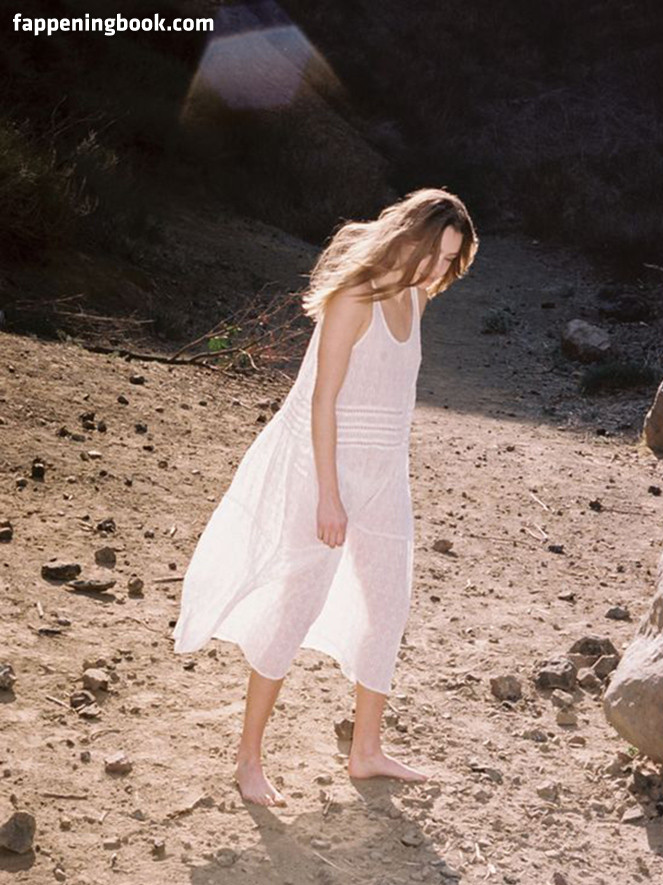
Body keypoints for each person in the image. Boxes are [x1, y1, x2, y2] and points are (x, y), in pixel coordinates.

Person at [172, 186, 479, 806]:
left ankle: (366, 751)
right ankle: (249, 759)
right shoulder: (353, 298)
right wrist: (329, 497)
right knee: (295, 608)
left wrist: (379, 480)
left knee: (387, 606)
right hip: (324, 470)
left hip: (386, 472)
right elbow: (323, 399)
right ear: (409, 238)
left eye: (450, 260)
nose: (438, 269)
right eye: (434, 253)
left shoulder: (417, 297)